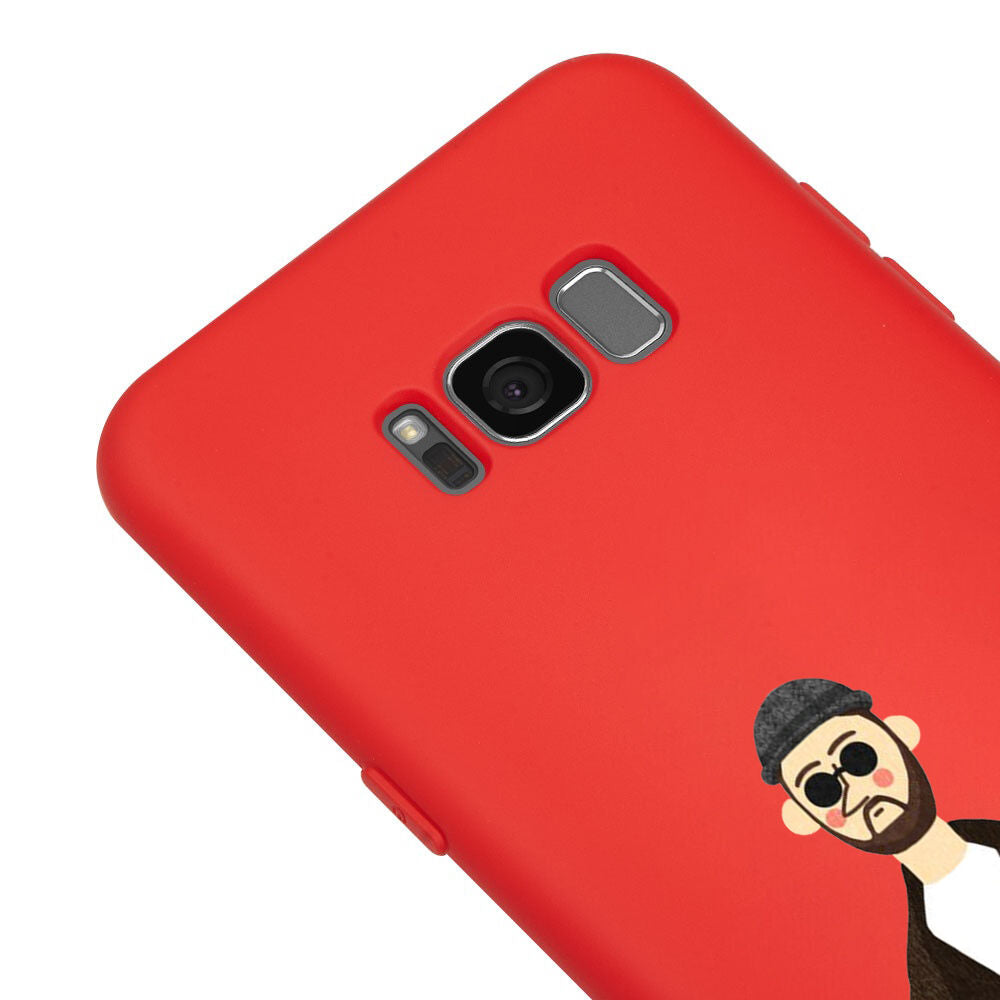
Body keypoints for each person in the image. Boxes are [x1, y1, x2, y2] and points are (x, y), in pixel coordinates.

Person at [754, 678, 1000, 998]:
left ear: (900, 734)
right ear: (803, 818)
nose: (857, 791)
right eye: (822, 789)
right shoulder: (930, 973)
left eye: (859, 757)